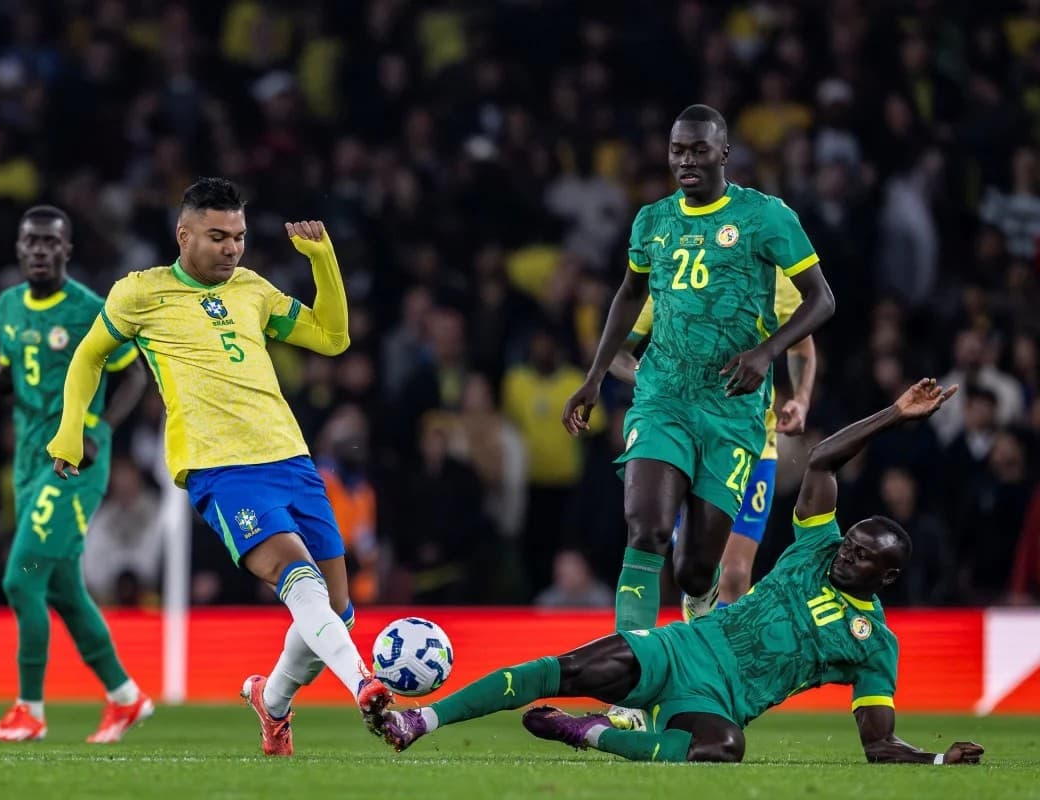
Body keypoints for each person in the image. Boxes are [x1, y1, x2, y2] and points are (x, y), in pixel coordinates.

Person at [379, 380, 984, 767]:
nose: (846, 553)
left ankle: (588, 734)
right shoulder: (816, 546)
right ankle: (419, 720)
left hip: (716, 700)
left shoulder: (876, 646)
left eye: (861, 556)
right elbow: (823, 459)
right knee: (561, 669)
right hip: (683, 646)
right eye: (850, 541)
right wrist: (895, 414)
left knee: (725, 749)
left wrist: (933, 762)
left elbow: (878, 743)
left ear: (886, 579)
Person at [45, 177, 393, 757]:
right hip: (221, 468)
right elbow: (88, 356)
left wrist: (323, 261)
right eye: (217, 236)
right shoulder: (140, 294)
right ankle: (365, 685)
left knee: (336, 611)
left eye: (239, 236)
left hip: (291, 459)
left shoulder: (252, 289)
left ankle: (272, 700)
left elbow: (333, 339)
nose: (232, 248)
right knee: (296, 577)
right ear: (184, 235)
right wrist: (69, 431)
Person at [563, 104, 835, 638]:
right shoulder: (653, 221)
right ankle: (632, 682)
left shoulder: (766, 217)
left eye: (698, 149)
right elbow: (629, 293)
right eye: (677, 150)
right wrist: (595, 377)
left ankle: (700, 602)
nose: (685, 160)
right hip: (663, 399)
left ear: (724, 153)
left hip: (733, 413)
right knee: (646, 530)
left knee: (697, 568)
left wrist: (766, 354)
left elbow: (821, 300)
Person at [0, 204, 151, 743]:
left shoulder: (90, 310)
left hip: (75, 461)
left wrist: (98, 427)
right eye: (29, 242)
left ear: (66, 251)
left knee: (19, 577)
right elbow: (13, 370)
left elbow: (134, 373)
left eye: (49, 242)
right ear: (18, 249)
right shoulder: (8, 306)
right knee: (61, 589)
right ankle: (126, 698)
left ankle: (29, 711)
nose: (38, 250)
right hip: (30, 460)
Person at [609, 269, 817, 616]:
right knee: (696, 567)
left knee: (733, 575)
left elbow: (802, 343)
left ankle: (713, 661)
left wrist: (802, 398)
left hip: (751, 442)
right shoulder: (676, 270)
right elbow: (617, 352)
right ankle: (689, 645)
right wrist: (662, 377)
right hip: (683, 440)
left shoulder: (773, 275)